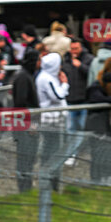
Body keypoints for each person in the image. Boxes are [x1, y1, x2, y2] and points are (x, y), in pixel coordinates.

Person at [85, 60, 111, 182]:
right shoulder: (95, 88)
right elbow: (100, 100)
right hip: (95, 126)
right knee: (97, 154)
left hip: (103, 125)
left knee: (106, 153)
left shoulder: (101, 88)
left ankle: (104, 178)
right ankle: (96, 179)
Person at [36, 52, 69, 190]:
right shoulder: (46, 78)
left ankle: (53, 180)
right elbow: (58, 96)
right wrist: (65, 84)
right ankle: (48, 181)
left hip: (56, 119)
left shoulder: (49, 77)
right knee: (52, 150)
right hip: (52, 120)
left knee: (55, 149)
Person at [12, 48, 40, 192]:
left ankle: (26, 186)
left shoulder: (27, 75)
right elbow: (21, 103)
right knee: (25, 158)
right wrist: (31, 124)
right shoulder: (23, 77)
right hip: (26, 127)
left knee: (29, 158)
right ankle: (24, 187)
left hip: (28, 125)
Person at [62, 39, 94, 134]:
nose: (74, 51)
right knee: (71, 128)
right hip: (70, 100)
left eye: (76, 48)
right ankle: (73, 149)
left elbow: (92, 74)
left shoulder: (89, 59)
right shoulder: (66, 60)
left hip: (84, 99)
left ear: (81, 48)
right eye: (72, 49)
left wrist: (81, 66)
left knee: (83, 128)